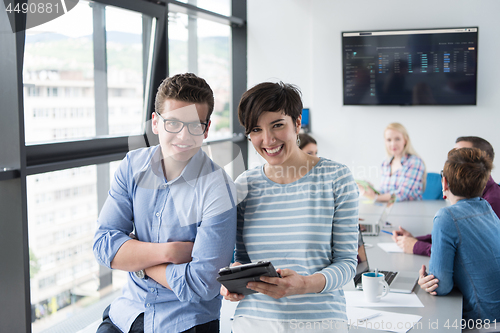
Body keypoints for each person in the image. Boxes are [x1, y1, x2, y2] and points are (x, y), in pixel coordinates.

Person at [93, 73, 237, 333]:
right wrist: (169, 253)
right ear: (156, 123)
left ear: (206, 129)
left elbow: (203, 284)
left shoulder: (218, 188)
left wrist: (137, 261)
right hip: (127, 313)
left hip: (186, 322)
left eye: (194, 126)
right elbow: (103, 245)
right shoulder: (132, 166)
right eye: (173, 123)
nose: (183, 136)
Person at [221, 82, 359, 332]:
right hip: (255, 320)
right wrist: (234, 279)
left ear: (297, 123)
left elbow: (347, 263)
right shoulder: (244, 185)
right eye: (256, 129)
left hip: (320, 319)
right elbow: (242, 259)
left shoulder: (337, 178)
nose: (268, 139)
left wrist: (304, 284)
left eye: (277, 125)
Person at [418, 147, 500, 322]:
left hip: (483, 323)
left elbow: (442, 287)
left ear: (444, 182)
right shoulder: (487, 208)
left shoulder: (446, 217)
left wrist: (426, 279)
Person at [392, 136, 500, 256]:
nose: (454, 159)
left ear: (481, 162)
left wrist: (416, 246)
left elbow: (467, 251)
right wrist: (415, 240)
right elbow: (455, 237)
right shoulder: (470, 196)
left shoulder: (491, 202)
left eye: (460, 153)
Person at [358, 122, 425, 202]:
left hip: (409, 211)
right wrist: (371, 190)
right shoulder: (385, 163)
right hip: (389, 209)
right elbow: (385, 192)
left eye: (397, 139)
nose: (393, 144)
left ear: (405, 140)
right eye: (389, 140)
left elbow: (402, 194)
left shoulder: (415, 162)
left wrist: (375, 197)